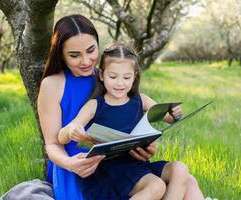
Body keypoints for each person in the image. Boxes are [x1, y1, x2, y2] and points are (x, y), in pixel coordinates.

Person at [38, 14, 204, 200]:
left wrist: (144, 148)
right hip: (82, 168)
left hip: (125, 163)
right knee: (160, 186)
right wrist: (70, 163)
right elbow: (52, 144)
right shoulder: (53, 84)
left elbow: (128, 118)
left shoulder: (111, 76)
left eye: (91, 50)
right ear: (60, 53)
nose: (85, 61)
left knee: (187, 180)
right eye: (74, 55)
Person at [58, 43, 167, 200]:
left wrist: (174, 113)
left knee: (181, 171)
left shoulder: (140, 100)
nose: (120, 83)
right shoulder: (95, 104)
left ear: (135, 75)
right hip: (105, 169)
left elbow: (167, 115)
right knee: (157, 186)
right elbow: (61, 137)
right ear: (101, 75)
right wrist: (72, 130)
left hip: (135, 164)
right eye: (113, 77)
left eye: (127, 77)